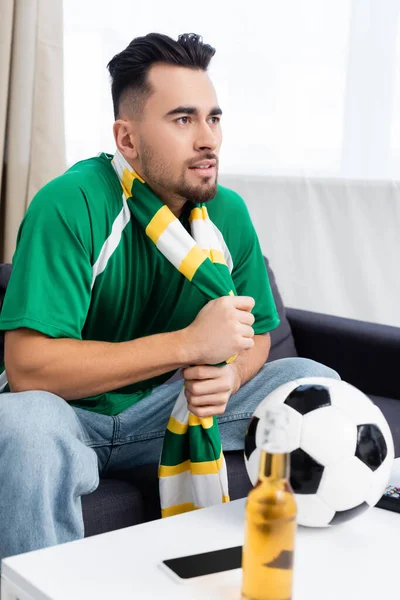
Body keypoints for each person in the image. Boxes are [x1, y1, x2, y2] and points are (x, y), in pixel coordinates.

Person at [0, 32, 339, 562]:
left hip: (169, 413)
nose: (208, 140)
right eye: (183, 120)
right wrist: (188, 345)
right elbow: (28, 369)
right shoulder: (69, 204)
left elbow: (257, 338)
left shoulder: (228, 214)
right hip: (71, 422)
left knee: (310, 381)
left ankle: (297, 573)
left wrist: (228, 375)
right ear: (127, 139)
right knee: (19, 424)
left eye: (214, 118)